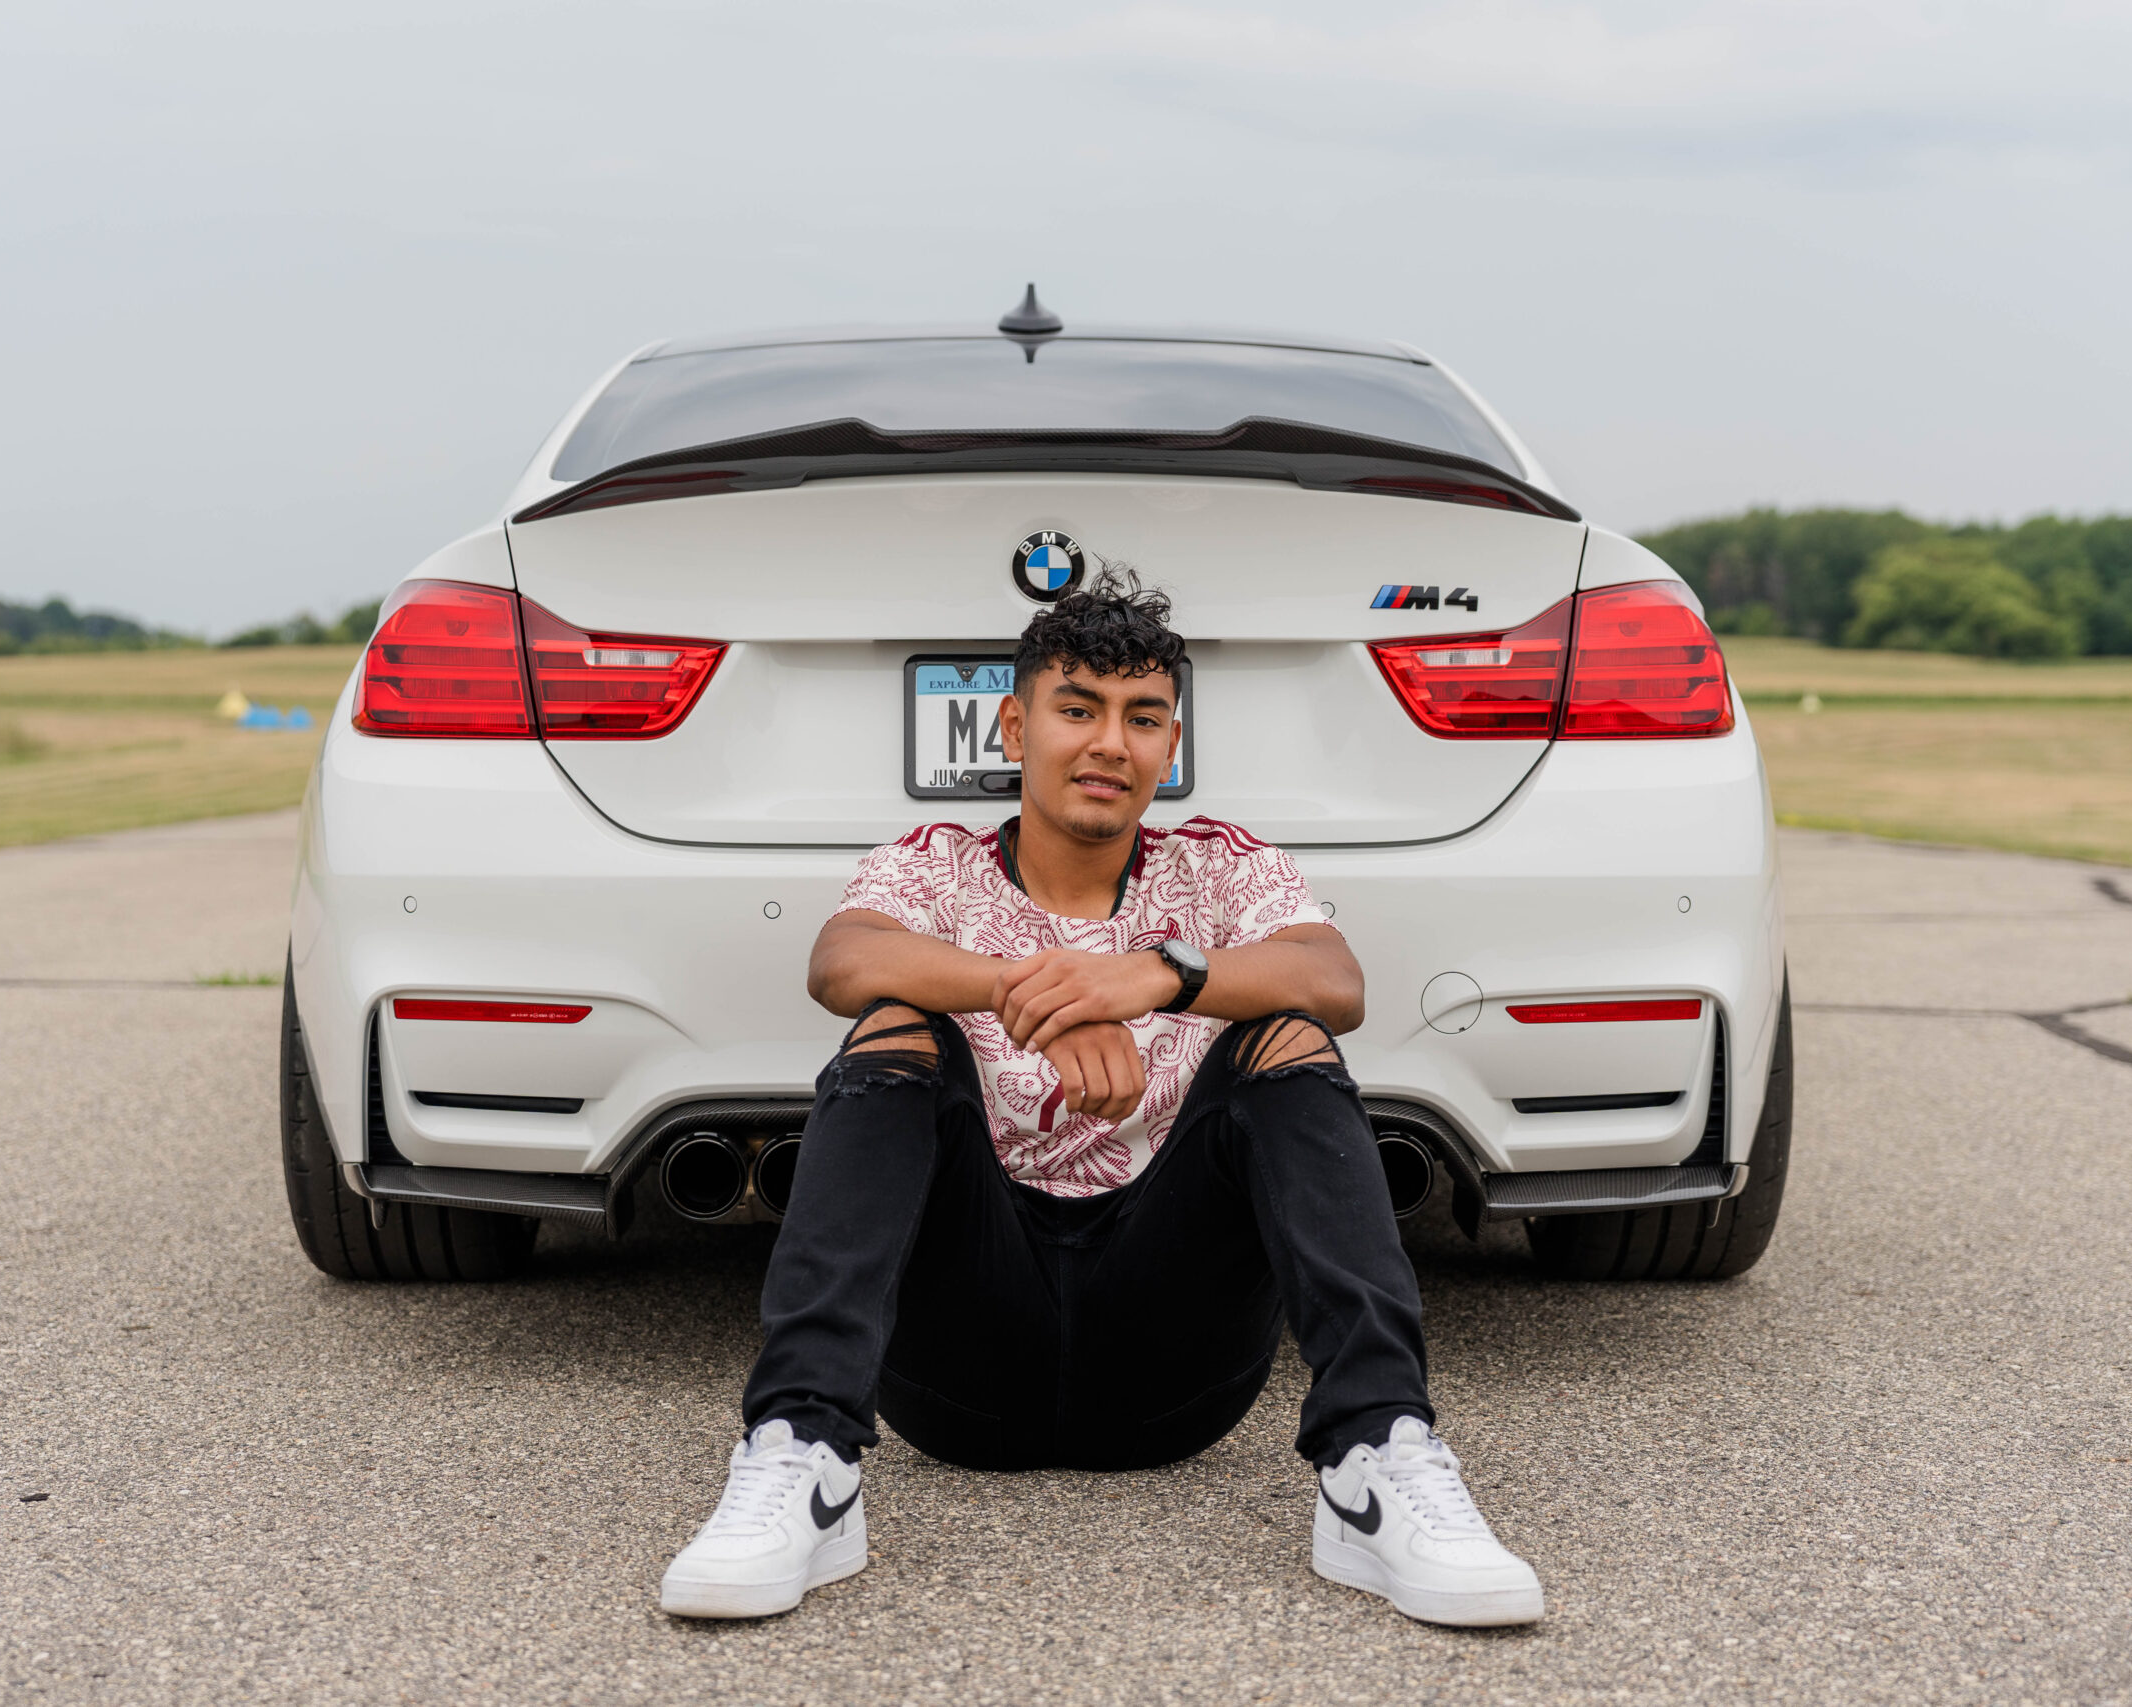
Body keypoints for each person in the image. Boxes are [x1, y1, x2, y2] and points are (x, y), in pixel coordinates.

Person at [659, 574, 1543, 1628]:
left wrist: (1157, 975)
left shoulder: (1221, 867)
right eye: (1076, 708)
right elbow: (841, 960)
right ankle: (800, 1453)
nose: (1108, 744)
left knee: (1286, 1032)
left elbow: (1334, 980)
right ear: (1014, 724)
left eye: (1142, 718)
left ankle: (1376, 1456)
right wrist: (1037, 990)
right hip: (960, 1361)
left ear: (1171, 745)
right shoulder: (932, 866)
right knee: (891, 1027)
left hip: (1171, 1365)